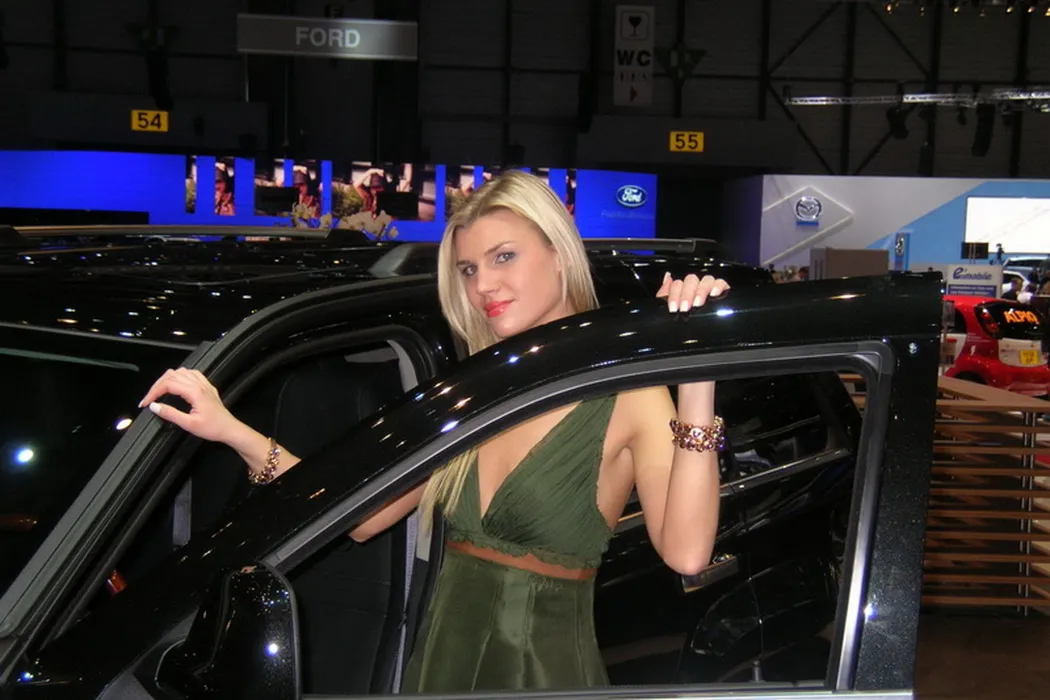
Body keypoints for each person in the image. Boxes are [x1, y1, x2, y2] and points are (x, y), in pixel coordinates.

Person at [137, 170, 730, 693]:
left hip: (543, 678)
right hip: (439, 668)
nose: (482, 285)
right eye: (469, 269)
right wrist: (230, 430)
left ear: (558, 252)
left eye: (504, 257)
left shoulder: (627, 394)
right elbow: (362, 515)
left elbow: (686, 553)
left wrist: (697, 369)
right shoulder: (477, 389)